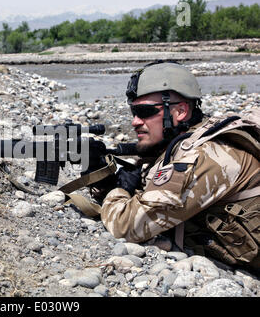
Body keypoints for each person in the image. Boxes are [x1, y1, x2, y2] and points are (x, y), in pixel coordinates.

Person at [89, 60, 259, 271]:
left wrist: (118, 190)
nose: (135, 122)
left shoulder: (203, 157)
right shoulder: (189, 139)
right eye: (133, 112)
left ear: (180, 112)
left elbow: (124, 226)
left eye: (145, 112)